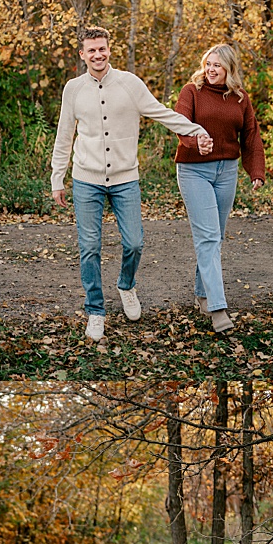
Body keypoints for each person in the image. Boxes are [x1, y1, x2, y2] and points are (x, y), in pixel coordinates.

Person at [51, 27, 212, 341]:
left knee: (135, 242)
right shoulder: (73, 89)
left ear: (110, 49)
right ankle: (95, 310)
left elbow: (163, 114)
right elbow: (63, 136)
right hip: (86, 179)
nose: (98, 55)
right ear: (82, 54)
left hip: (126, 179)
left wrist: (196, 130)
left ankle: (126, 286)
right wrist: (58, 177)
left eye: (102, 48)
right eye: (91, 50)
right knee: (89, 249)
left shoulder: (130, 83)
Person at [174, 44, 266, 333]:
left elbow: (251, 135)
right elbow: (180, 123)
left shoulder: (240, 98)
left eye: (217, 65)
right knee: (209, 236)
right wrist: (195, 140)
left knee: (216, 236)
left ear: (229, 69)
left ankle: (202, 294)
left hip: (226, 172)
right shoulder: (192, 91)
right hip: (193, 170)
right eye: (208, 64)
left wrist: (256, 170)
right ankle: (218, 308)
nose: (211, 70)